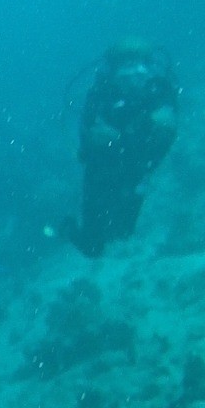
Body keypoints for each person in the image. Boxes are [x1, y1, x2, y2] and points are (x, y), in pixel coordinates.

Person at [63, 37, 177, 257]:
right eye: (125, 71)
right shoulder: (100, 94)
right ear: (113, 72)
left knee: (123, 232)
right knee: (93, 247)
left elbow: (166, 134)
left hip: (136, 170)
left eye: (139, 70)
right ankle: (66, 228)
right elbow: (86, 144)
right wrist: (99, 141)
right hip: (101, 171)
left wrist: (127, 139)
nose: (133, 78)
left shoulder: (159, 89)